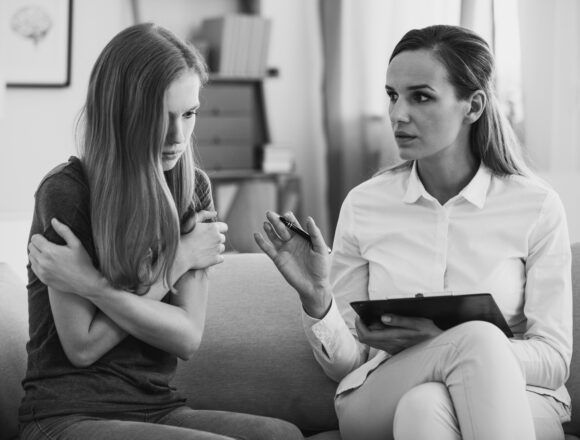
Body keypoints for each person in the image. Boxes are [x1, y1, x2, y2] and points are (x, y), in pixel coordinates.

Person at [254, 24, 572, 440]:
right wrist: (317, 298)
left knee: (426, 406)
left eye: (420, 96)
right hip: (379, 395)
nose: (397, 114)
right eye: (392, 96)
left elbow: (553, 360)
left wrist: (445, 343)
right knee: (471, 343)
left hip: (525, 398)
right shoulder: (366, 204)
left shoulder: (535, 206)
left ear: (473, 105)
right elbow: (348, 364)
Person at [20, 23, 303, 440]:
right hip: (67, 414)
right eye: (159, 116)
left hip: (157, 406)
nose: (177, 136)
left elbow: (186, 337)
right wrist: (180, 259)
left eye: (189, 114)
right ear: (122, 113)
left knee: (283, 436)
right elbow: (82, 346)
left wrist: (94, 287)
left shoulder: (193, 189)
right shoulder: (65, 193)